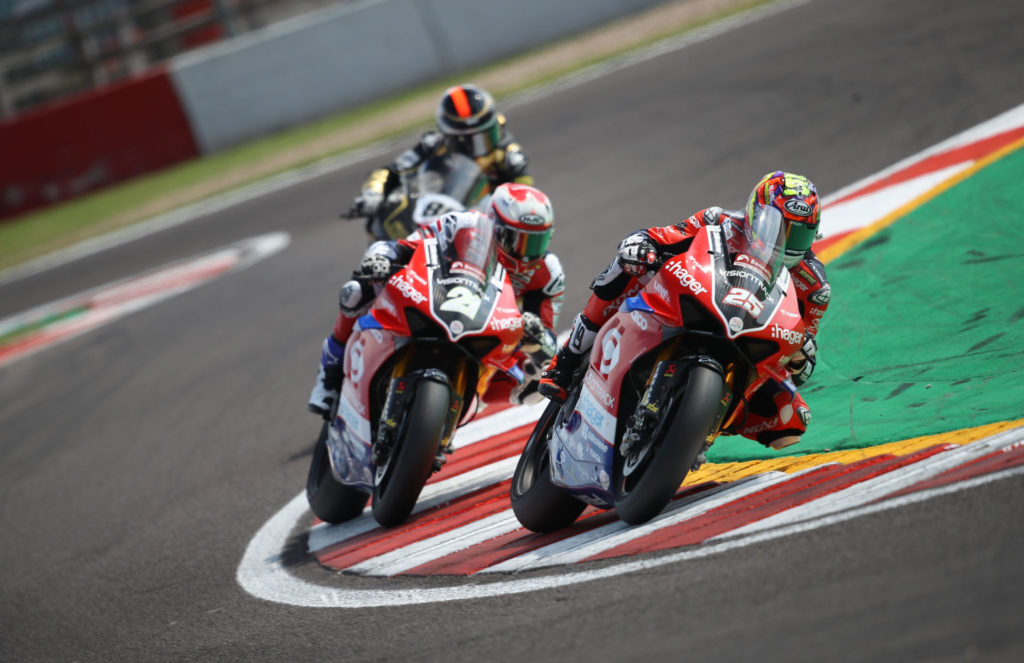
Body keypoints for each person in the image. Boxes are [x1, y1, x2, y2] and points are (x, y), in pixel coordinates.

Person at [538, 171, 831, 450]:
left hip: (750, 343)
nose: (786, 240)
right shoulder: (719, 221)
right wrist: (643, 244)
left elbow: (799, 351)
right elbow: (664, 236)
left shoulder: (814, 286)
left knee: (790, 420)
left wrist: (802, 357)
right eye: (778, 226)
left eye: (799, 234)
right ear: (756, 213)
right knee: (626, 265)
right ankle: (569, 356)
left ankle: (700, 432)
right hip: (700, 302)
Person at [308, 183, 564, 418]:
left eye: (536, 241)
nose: (526, 253)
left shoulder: (548, 273)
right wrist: (384, 256)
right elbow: (411, 245)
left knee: (538, 385)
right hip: (438, 298)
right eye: (517, 239)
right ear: (494, 224)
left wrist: (537, 336)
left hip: (490, 331)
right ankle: (329, 369)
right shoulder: (464, 224)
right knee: (355, 290)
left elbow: (551, 350)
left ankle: (458, 406)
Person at [347, 84, 533, 227]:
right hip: (436, 216)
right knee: (397, 203)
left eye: (483, 136)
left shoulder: (509, 154)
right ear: (449, 136)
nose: (477, 146)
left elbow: (526, 201)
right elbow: (391, 170)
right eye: (467, 140)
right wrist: (373, 193)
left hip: (486, 223)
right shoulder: (433, 144)